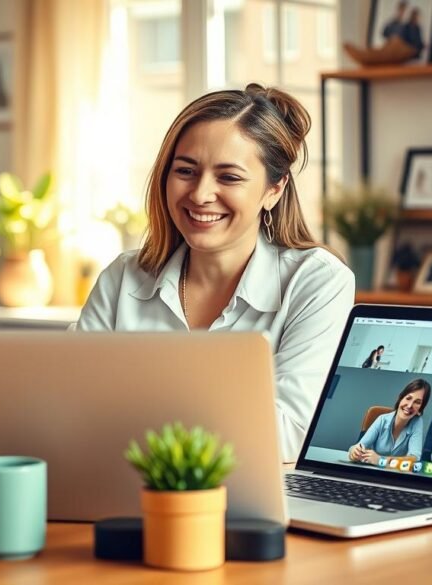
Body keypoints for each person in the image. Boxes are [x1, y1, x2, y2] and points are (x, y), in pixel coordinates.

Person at [75, 84, 355, 462]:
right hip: (119, 490)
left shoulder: (318, 282)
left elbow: (288, 432)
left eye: (229, 177)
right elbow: (69, 406)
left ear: (274, 189)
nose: (201, 194)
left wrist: (127, 409)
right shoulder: (123, 276)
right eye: (186, 171)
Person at [348, 379, 432, 463]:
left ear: (420, 410)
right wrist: (354, 451)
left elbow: (414, 458)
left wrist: (381, 460)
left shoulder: (417, 422)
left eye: (417, 402)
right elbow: (360, 445)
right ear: (400, 398)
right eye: (408, 398)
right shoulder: (382, 419)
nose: (410, 405)